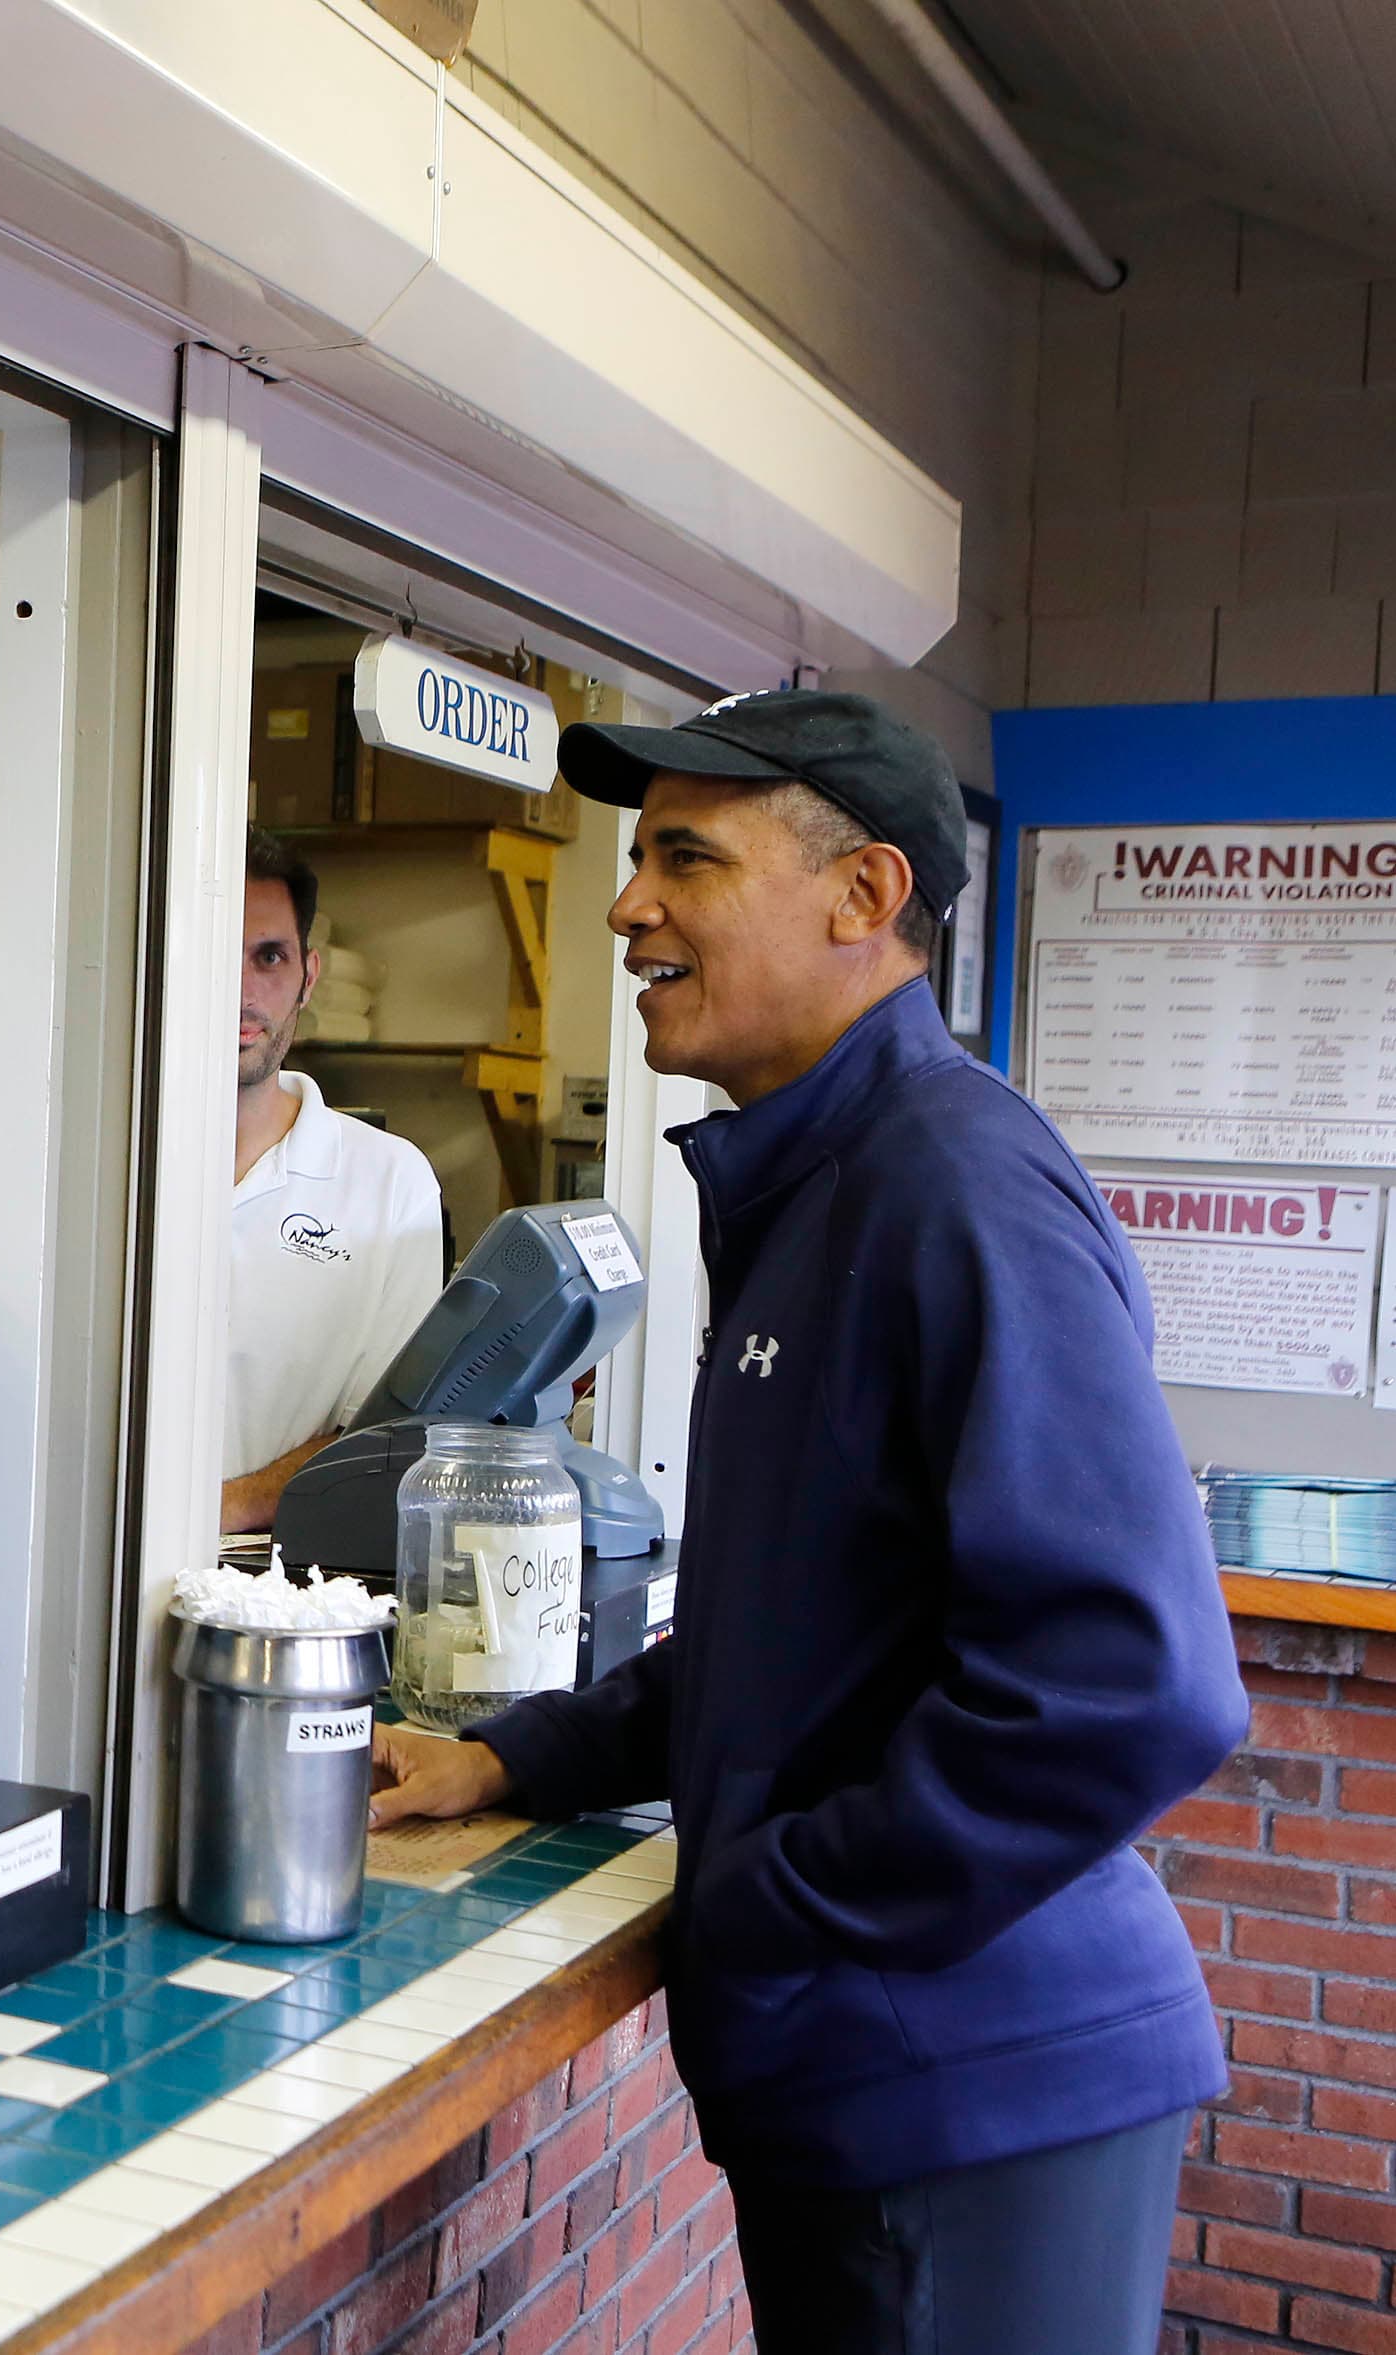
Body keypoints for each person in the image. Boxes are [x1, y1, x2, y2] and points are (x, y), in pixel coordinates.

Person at [365, 690, 1246, 2355]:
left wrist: (772, 1901)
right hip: (894, 2076)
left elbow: (1130, 1683)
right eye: (637, 859)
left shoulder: (953, 1185)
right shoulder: (820, 1184)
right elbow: (793, 1627)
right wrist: (513, 1758)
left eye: (686, 859)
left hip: (967, 2093)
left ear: (864, 895)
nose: (628, 906)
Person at [217, 828, 446, 1532]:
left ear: (308, 976)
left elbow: (390, 1435)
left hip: (285, 1572)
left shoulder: (391, 1183)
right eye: (220, 950)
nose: (244, 991)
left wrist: (224, 1505)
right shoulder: (101, 1164)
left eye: (269, 957)